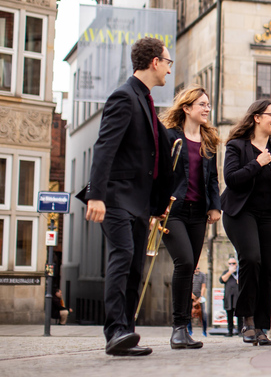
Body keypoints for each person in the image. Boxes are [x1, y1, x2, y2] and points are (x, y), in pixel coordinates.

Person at [82, 37, 173, 357]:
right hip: (115, 198)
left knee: (134, 265)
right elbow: (104, 147)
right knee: (121, 258)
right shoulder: (124, 97)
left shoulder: (145, 101)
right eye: (168, 63)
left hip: (138, 202)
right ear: (154, 62)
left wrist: (157, 205)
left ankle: (126, 333)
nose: (169, 70)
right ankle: (115, 330)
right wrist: (95, 195)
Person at [221, 99, 271, 346]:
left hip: (269, 214)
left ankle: (260, 326)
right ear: (257, 117)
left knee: (268, 267)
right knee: (251, 259)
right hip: (241, 213)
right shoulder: (237, 146)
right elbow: (232, 179)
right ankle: (247, 321)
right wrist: (257, 163)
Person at [159, 85, 221, 349]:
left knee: (190, 267)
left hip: (199, 213)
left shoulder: (209, 141)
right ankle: (177, 327)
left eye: (208, 104)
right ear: (186, 108)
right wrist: (156, 206)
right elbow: (159, 173)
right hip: (173, 211)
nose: (207, 109)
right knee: (184, 262)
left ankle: (185, 330)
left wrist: (215, 206)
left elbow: (213, 179)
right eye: (202, 105)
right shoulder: (171, 137)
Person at [220, 256, 241, 336]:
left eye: (234, 263)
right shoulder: (226, 272)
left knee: (239, 315)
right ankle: (230, 331)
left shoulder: (239, 273)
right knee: (229, 315)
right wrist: (230, 272)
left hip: (237, 297)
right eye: (230, 263)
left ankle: (240, 331)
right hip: (229, 298)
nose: (232, 265)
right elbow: (222, 280)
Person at [189, 267, 208, 338]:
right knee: (188, 313)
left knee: (203, 314)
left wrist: (201, 296)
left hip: (200, 297)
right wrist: (191, 295)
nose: (197, 269)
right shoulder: (190, 274)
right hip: (191, 296)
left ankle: (204, 331)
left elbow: (203, 286)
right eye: (196, 268)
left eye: (198, 268)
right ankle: (190, 330)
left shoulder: (202, 275)